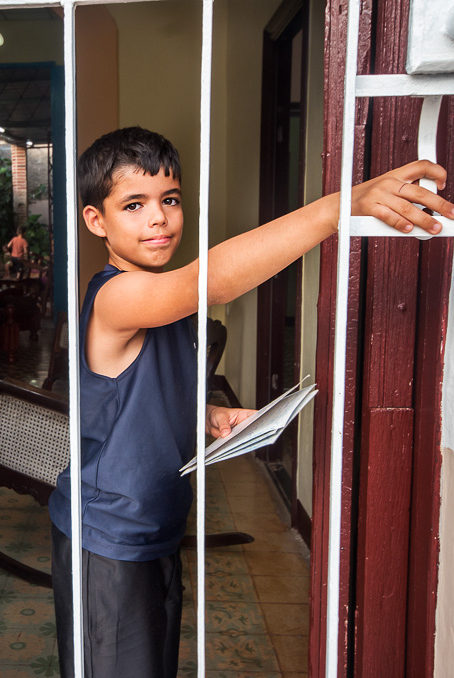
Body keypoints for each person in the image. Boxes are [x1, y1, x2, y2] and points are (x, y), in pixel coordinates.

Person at [47, 127, 453, 678]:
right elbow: (212, 281)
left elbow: (139, 394)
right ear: (97, 221)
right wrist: (340, 207)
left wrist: (210, 416)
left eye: (169, 200)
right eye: (134, 205)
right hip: (107, 535)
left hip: (154, 526)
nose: (158, 219)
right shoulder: (119, 295)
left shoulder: (168, 304)